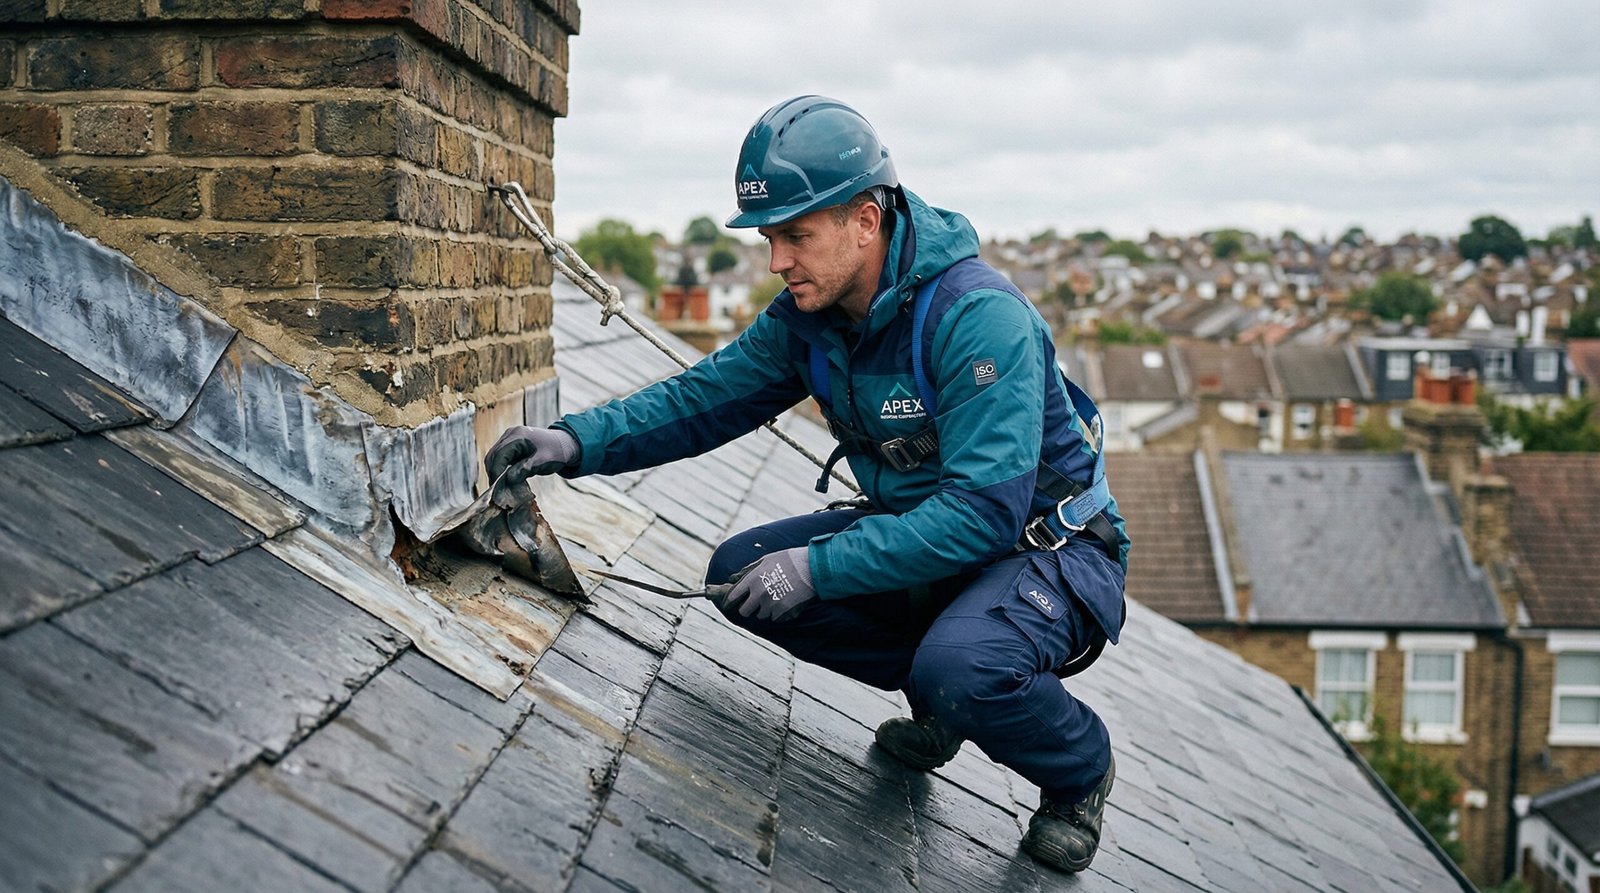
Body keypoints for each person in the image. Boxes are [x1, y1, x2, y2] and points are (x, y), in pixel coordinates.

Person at [486, 95, 1129, 873]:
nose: (776, 261)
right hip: (937, 540)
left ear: (866, 219)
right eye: (769, 237)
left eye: (796, 235)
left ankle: (1076, 768)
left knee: (959, 664)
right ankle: (944, 694)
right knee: (738, 574)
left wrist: (819, 567)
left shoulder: (977, 319)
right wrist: (574, 440)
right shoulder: (812, 315)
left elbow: (981, 517)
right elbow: (704, 398)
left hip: (1046, 554)